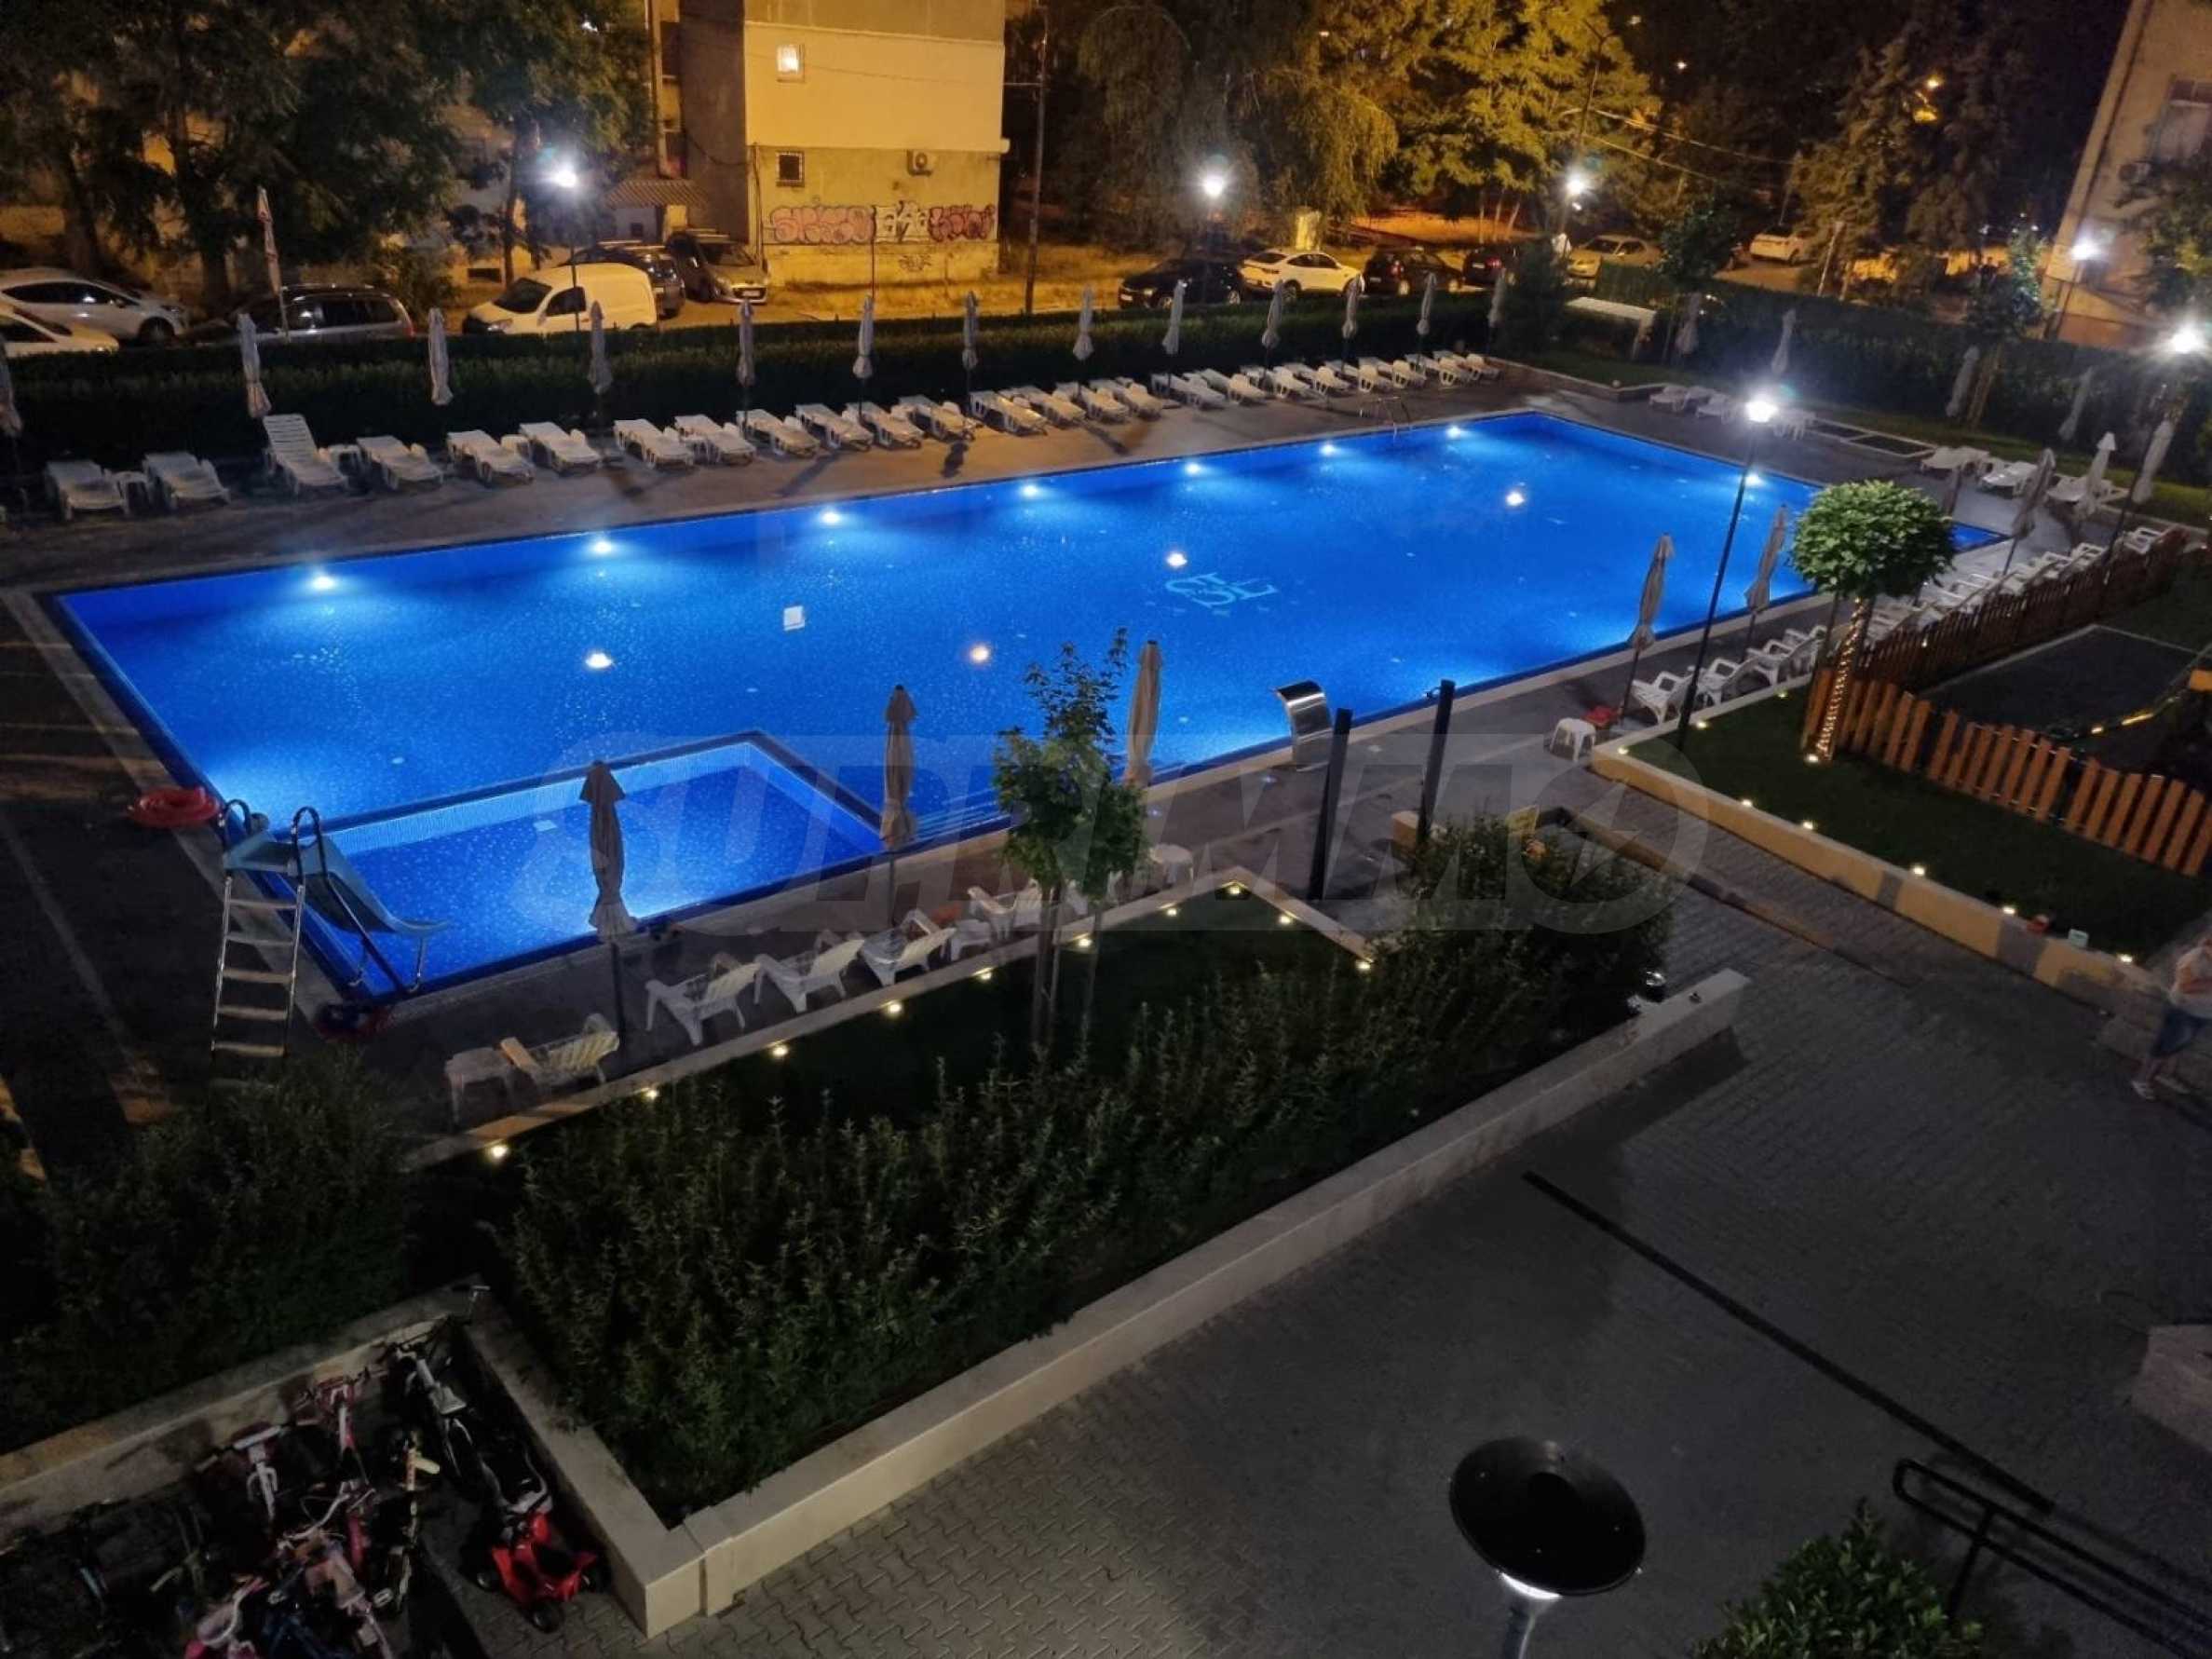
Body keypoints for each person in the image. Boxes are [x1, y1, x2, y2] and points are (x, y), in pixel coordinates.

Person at [2132, 934, 2212, 1098]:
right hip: (2185, 1010)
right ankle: (2142, 1079)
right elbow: (2185, 986)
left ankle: (2165, 1075)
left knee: (2178, 1046)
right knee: (2164, 1046)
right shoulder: (2197, 958)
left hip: (2203, 1012)